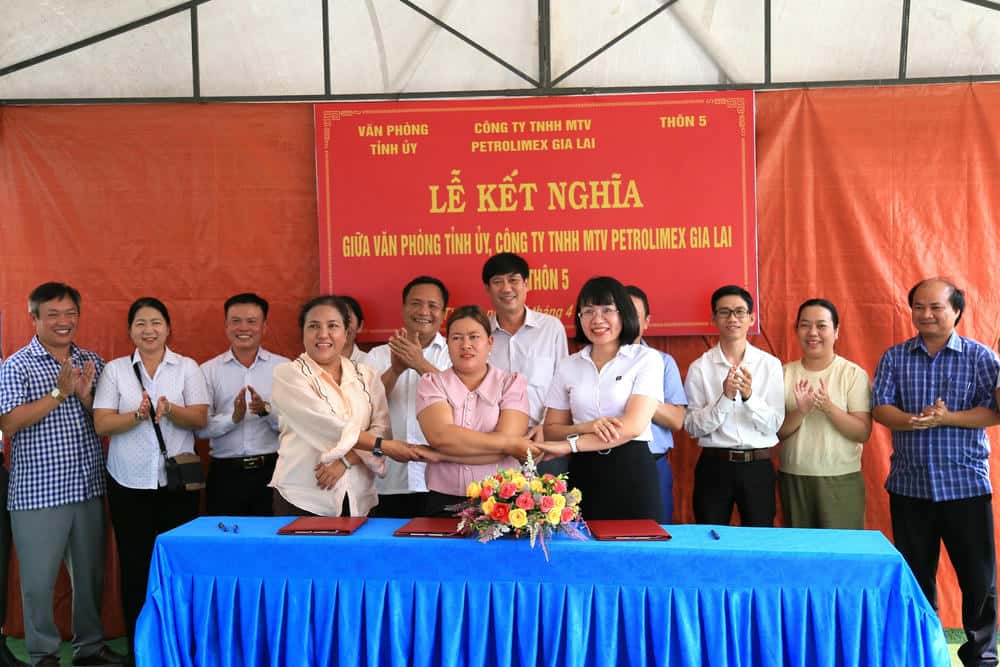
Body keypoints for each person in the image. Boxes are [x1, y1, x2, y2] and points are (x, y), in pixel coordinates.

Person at [872, 278, 1000, 666]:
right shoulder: (895, 357)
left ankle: (981, 654)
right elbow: (880, 407)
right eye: (918, 307)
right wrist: (914, 421)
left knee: (978, 580)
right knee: (915, 575)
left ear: (957, 311)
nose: (925, 314)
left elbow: (994, 411)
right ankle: (923, 650)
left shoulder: (980, 358)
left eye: (936, 307)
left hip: (965, 484)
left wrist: (947, 418)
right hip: (910, 486)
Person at [0, 282, 122, 667]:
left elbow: (105, 421)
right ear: (33, 318)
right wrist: (57, 393)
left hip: (86, 487)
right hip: (38, 493)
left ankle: (89, 648)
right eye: (52, 314)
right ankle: (43, 654)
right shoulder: (16, 364)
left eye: (70, 313)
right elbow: (8, 423)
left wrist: (86, 398)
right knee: (38, 582)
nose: (63, 322)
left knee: (89, 578)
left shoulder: (92, 361)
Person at [93, 297, 209, 656]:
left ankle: (178, 644)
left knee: (178, 564)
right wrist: (137, 416)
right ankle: (140, 647)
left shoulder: (186, 367)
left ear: (168, 328)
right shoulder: (115, 370)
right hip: (129, 483)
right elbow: (102, 422)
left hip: (176, 485)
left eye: (156, 322)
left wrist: (170, 410)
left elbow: (201, 419)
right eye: (141, 323)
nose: (149, 330)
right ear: (130, 330)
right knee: (135, 567)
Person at [269, 296, 432, 516]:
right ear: (303, 333)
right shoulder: (288, 375)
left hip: (359, 497)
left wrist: (346, 460)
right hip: (304, 497)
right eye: (314, 326)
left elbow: (381, 428)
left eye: (333, 326)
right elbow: (329, 425)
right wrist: (386, 447)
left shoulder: (366, 374)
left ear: (347, 333)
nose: (323, 334)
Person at [539, 277, 665, 522]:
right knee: (584, 553)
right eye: (588, 312)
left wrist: (569, 445)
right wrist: (586, 426)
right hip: (584, 472)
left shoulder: (646, 359)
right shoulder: (568, 365)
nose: (597, 319)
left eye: (607, 310)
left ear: (623, 314)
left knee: (637, 552)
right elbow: (552, 430)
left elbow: (632, 426)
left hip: (632, 469)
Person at [416, 306, 537, 516]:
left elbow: (511, 438)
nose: (466, 345)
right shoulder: (432, 383)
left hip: (501, 498)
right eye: (457, 338)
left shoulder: (511, 383)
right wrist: (508, 444)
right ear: (447, 343)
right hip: (443, 500)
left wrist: (444, 454)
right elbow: (441, 436)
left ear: (490, 343)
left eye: (474, 337)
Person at [684, 285, 784, 527]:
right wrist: (725, 398)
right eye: (724, 312)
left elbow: (774, 424)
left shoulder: (769, 365)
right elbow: (691, 427)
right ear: (714, 319)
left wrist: (749, 397)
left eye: (740, 312)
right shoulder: (700, 367)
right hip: (714, 465)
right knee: (710, 538)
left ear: (751, 318)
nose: (733, 318)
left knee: (760, 541)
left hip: (757, 466)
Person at [777, 299, 871, 529]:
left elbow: (862, 432)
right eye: (805, 325)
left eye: (821, 326)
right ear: (796, 330)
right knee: (800, 553)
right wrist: (801, 411)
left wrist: (828, 407)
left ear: (836, 331)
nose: (812, 333)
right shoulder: (784, 373)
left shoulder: (852, 374)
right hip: (794, 476)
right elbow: (776, 433)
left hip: (841, 479)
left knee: (842, 552)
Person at [366, 277, 451, 518]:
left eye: (433, 306)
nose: (424, 312)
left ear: (443, 314)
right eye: (416, 303)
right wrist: (395, 370)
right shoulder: (377, 355)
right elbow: (364, 407)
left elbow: (463, 401)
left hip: (441, 479)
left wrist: (420, 363)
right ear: (403, 309)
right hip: (388, 480)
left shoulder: (454, 353)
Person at [198, 293, 289, 516]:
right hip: (225, 473)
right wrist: (233, 419)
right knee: (225, 543)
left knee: (271, 542)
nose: (243, 328)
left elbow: (295, 425)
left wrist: (266, 412)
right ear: (226, 326)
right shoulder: (208, 370)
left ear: (264, 326)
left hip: (273, 470)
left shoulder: (284, 368)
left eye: (251, 321)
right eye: (236, 321)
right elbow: (200, 428)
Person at [481, 253, 569, 476]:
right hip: (493, 447)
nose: (506, 288)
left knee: (549, 509)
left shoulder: (551, 328)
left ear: (526, 284)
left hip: (542, 444)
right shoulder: (480, 333)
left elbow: (562, 385)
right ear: (487, 289)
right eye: (498, 282)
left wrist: (544, 427)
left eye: (513, 280)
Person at [625, 285, 687, 523]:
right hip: (606, 463)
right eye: (621, 314)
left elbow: (676, 420)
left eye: (634, 316)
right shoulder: (594, 362)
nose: (627, 321)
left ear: (646, 322)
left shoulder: (663, 362)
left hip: (652, 463)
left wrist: (640, 397)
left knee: (656, 535)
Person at [339, 295, 370, 366]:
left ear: (360, 326)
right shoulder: (314, 362)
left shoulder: (369, 361)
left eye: (348, 320)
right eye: (335, 321)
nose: (342, 326)